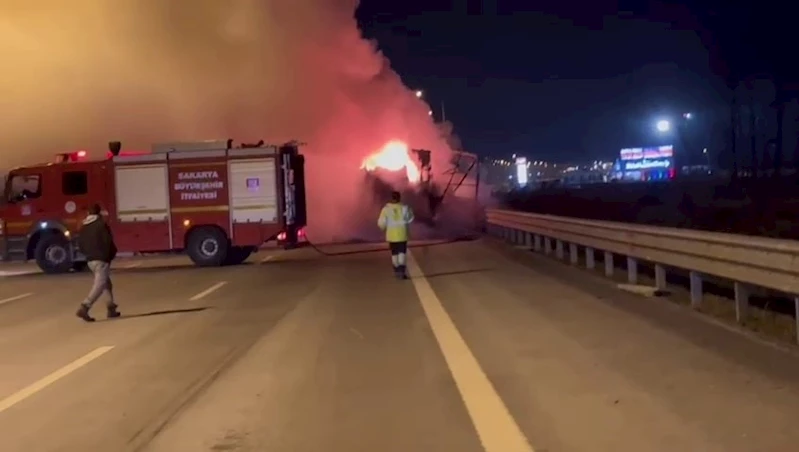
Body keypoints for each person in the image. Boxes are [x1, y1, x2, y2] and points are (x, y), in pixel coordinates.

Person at [75, 203, 120, 322]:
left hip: (90, 260)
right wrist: (110, 254)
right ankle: (85, 307)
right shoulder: (101, 225)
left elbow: (80, 245)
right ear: (99, 213)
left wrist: (88, 255)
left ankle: (111, 308)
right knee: (100, 284)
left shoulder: (84, 227)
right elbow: (108, 241)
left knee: (106, 283)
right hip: (101, 259)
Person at [377, 191, 414, 279]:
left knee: (394, 254)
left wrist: (383, 229)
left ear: (391, 198)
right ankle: (401, 272)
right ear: (399, 198)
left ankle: (397, 271)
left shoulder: (386, 209)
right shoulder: (405, 208)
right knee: (402, 253)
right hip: (402, 234)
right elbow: (411, 218)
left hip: (391, 236)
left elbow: (381, 223)